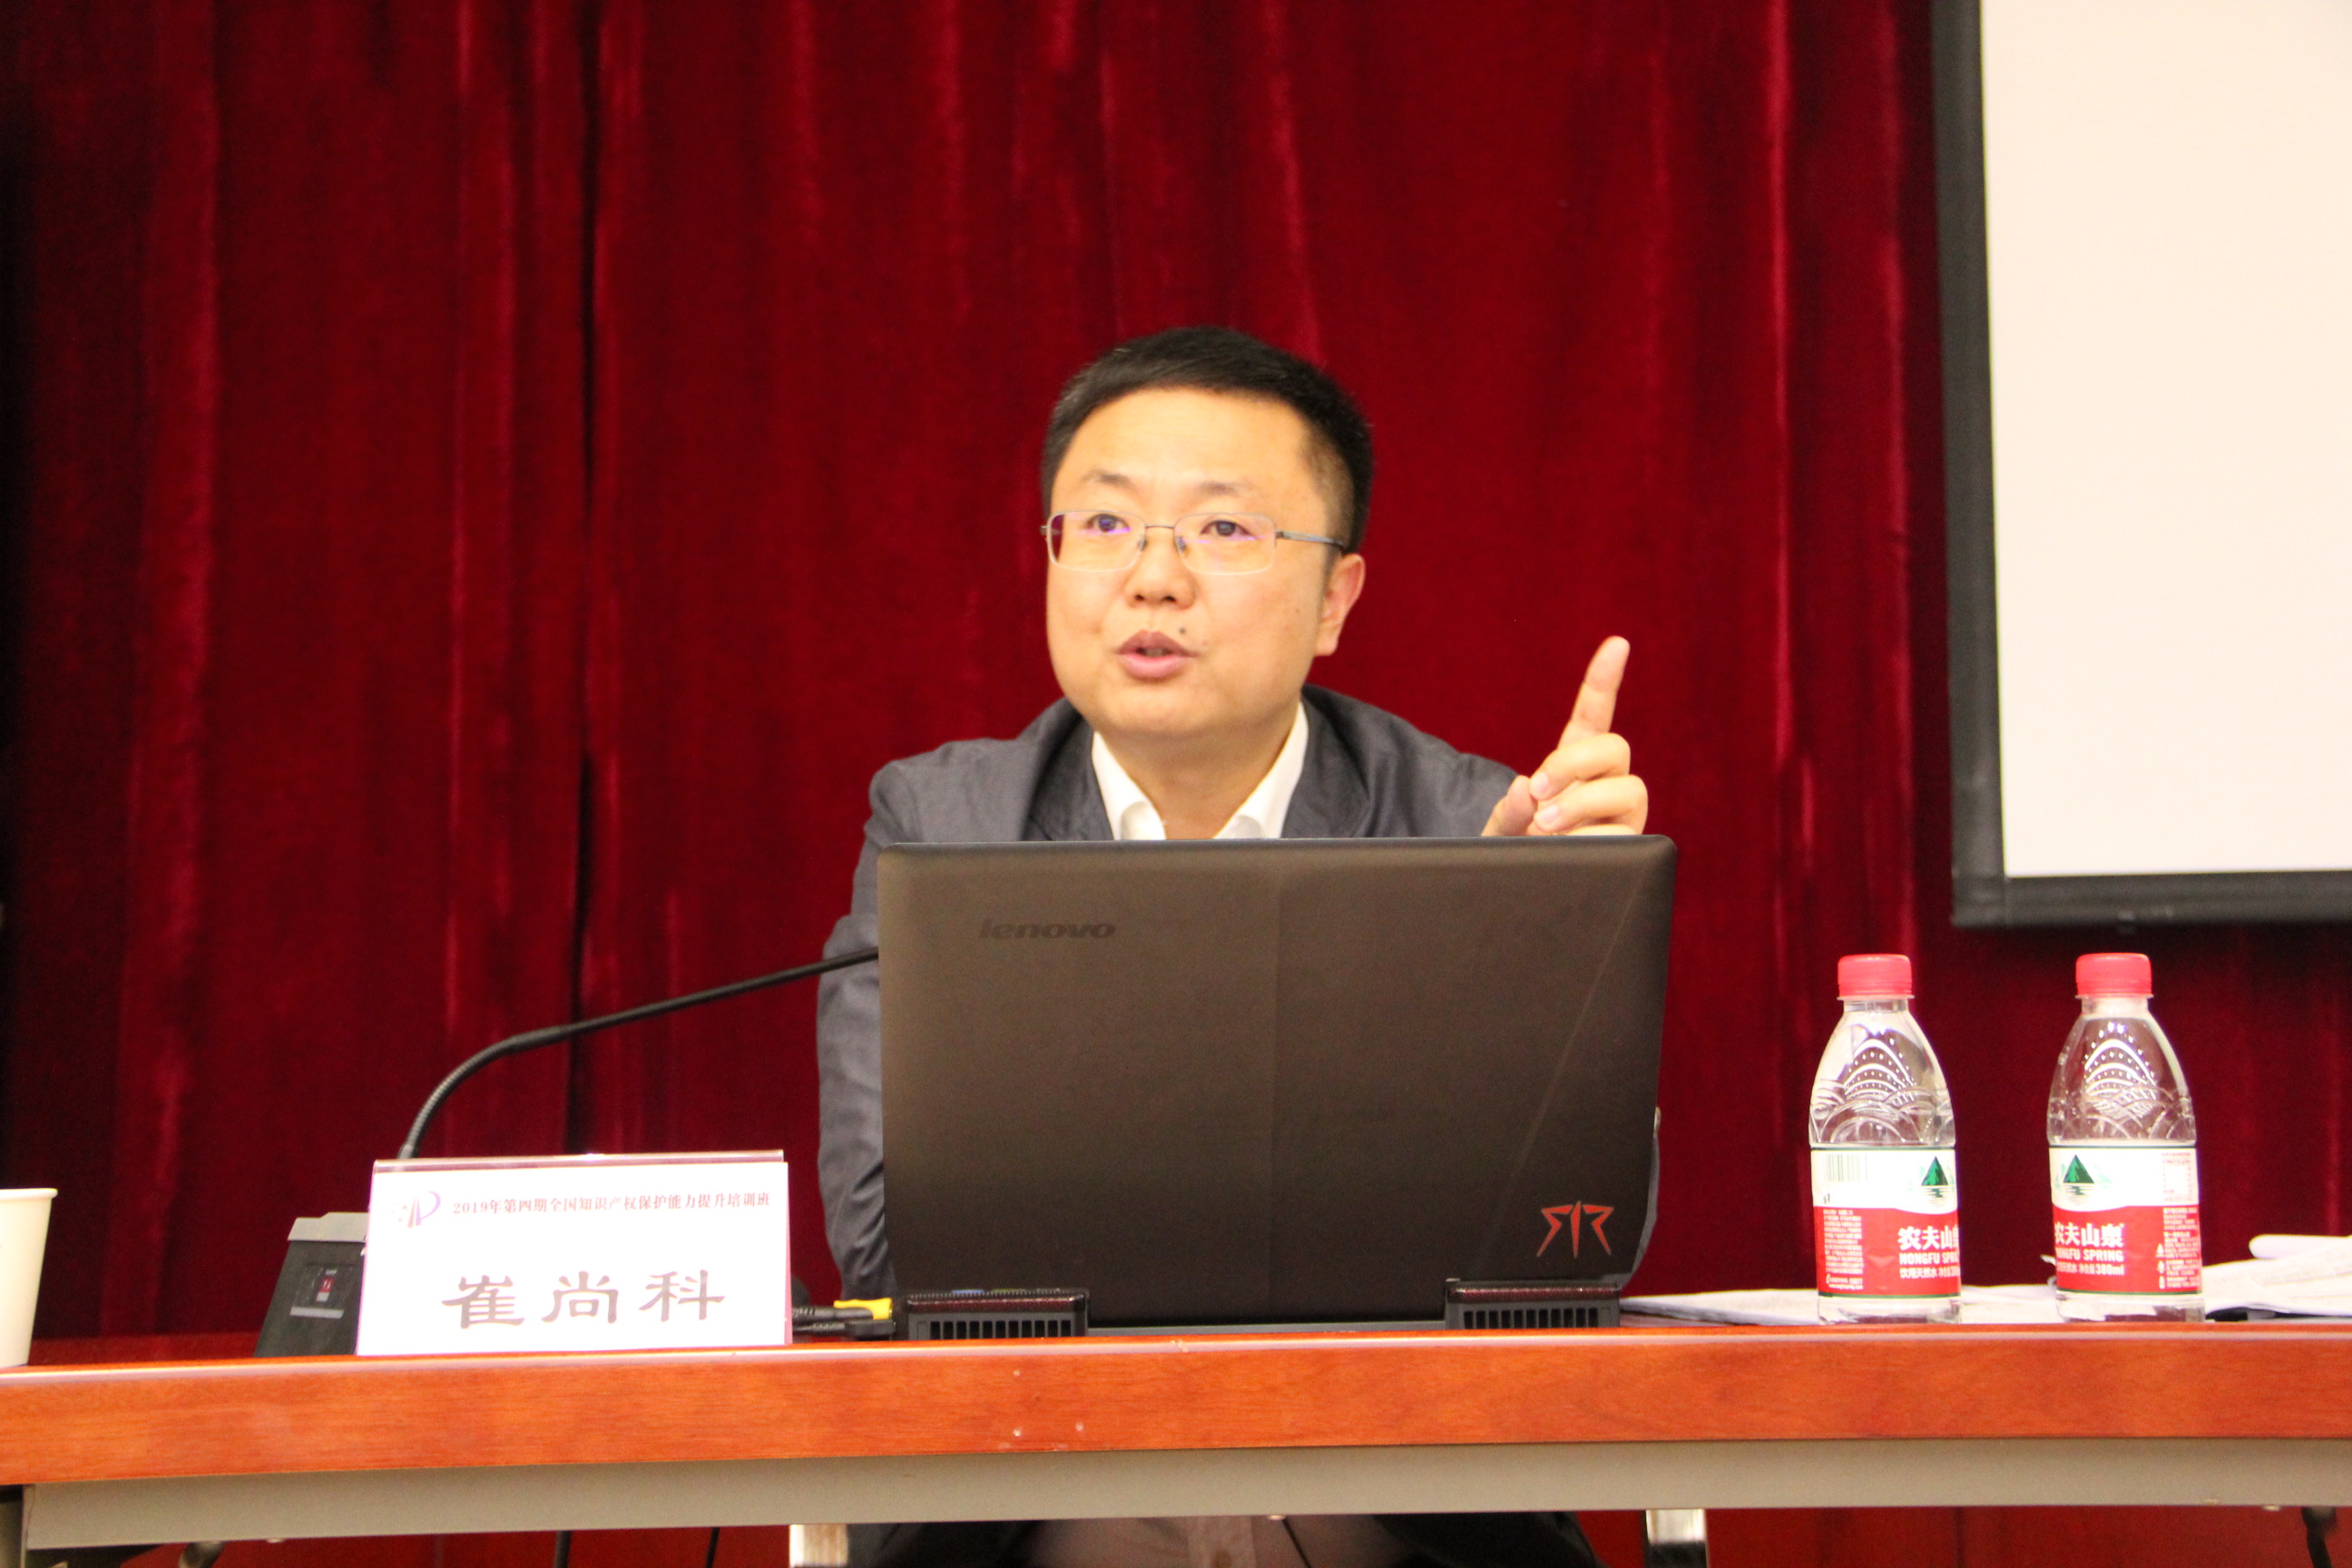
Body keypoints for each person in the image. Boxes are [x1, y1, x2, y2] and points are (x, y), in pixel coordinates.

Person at [817, 327, 1648, 1568]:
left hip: (1397, 1496)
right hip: (1042, 1493)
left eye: (1223, 529)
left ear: (1335, 602)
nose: (1153, 578)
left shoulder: (1473, 825)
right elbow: (893, 1251)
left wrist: (1552, 936)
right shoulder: (946, 825)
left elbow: (1570, 1253)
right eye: (1105, 525)